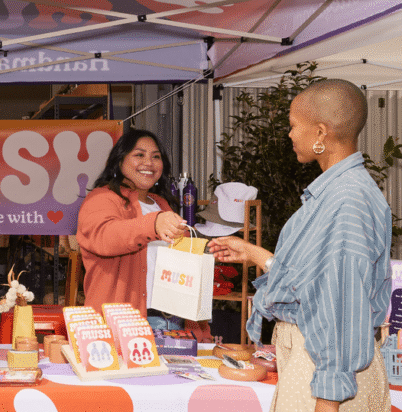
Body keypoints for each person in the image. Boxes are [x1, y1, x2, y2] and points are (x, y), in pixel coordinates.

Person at [208, 79, 392, 411]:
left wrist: (328, 399)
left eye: (294, 126)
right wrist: (257, 255)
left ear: (321, 133)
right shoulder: (337, 193)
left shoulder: (346, 200)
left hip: (324, 376)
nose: (290, 135)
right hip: (317, 368)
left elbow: (342, 305)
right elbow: (315, 284)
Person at [76, 128, 187, 330]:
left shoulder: (162, 204)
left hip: (171, 321)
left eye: (156, 157)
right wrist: (152, 224)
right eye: (139, 155)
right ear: (120, 161)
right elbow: (105, 236)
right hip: (122, 323)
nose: (149, 162)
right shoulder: (102, 199)